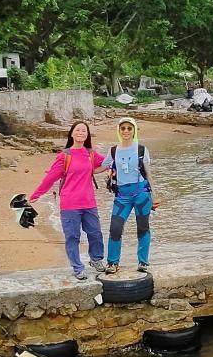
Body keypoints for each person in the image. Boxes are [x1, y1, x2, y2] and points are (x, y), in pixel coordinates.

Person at [27, 121, 108, 279]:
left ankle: (96, 260)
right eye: (78, 130)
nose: (81, 133)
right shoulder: (65, 156)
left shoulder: (91, 153)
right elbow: (50, 177)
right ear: (72, 133)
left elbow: (108, 162)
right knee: (73, 236)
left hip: (89, 202)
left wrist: (102, 170)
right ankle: (77, 267)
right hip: (70, 204)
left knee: (95, 233)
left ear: (87, 135)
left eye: (84, 131)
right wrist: (36, 194)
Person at [101, 116, 160, 272]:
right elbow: (102, 166)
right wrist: (79, 169)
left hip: (141, 193)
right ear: (119, 131)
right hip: (122, 196)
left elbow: (148, 173)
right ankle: (113, 263)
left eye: (129, 128)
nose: (126, 131)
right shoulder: (113, 150)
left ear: (134, 130)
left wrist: (154, 196)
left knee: (143, 227)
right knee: (115, 228)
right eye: (123, 128)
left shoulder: (142, 150)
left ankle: (143, 262)